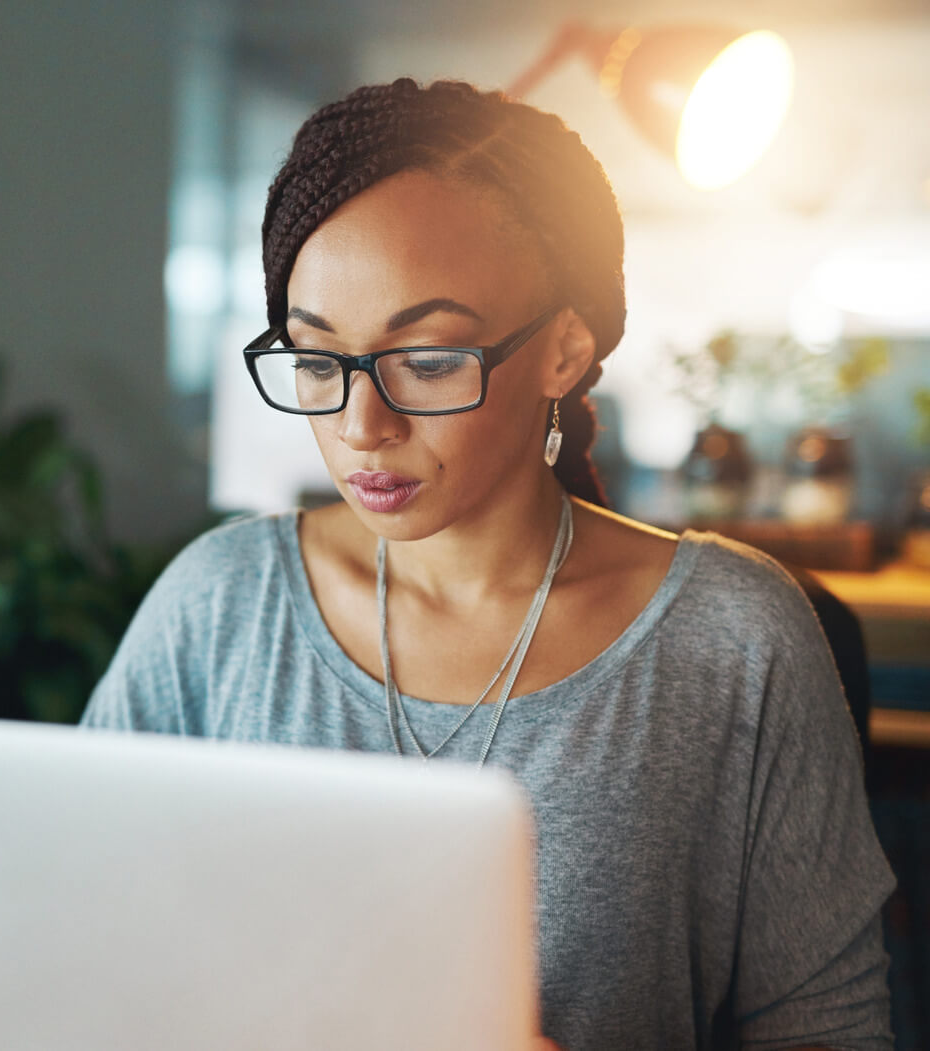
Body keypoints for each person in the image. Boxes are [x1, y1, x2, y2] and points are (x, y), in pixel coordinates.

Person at [80, 77, 894, 1049]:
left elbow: (827, 1031)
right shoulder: (220, 606)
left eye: (425, 361)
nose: (358, 426)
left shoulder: (731, 641)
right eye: (316, 358)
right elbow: (71, 945)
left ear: (562, 349)